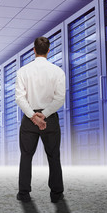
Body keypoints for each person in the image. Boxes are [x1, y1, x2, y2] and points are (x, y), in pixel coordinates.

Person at [15, 36, 66, 203]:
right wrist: (44, 115)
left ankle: (24, 194)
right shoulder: (58, 72)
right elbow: (60, 99)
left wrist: (33, 116)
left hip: (29, 120)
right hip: (49, 119)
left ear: (34, 50)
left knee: (26, 156)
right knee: (53, 156)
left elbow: (20, 98)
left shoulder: (23, 71)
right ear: (48, 51)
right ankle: (56, 194)